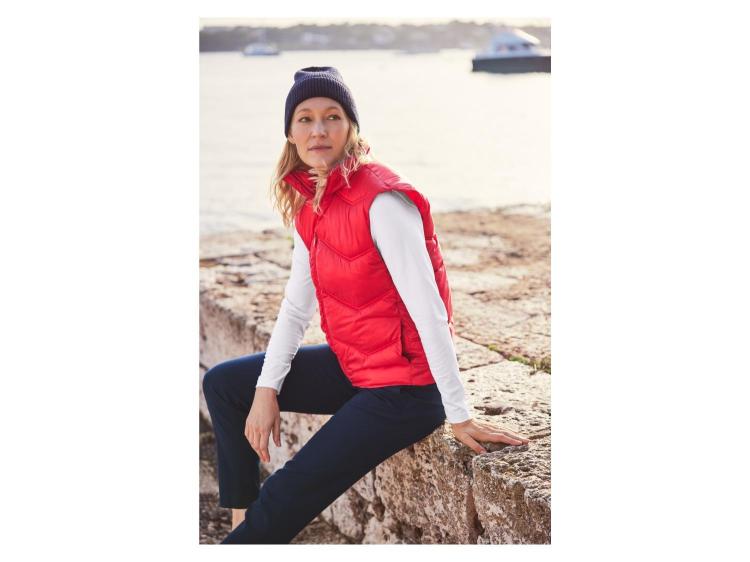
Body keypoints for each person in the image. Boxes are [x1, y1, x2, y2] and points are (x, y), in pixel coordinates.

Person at [202, 66, 530, 544]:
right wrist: (266, 389)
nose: (319, 130)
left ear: (350, 127)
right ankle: (241, 525)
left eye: (332, 116)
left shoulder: (383, 201)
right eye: (305, 118)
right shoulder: (311, 202)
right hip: (358, 365)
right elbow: (296, 307)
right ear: (290, 133)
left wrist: (458, 413)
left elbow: (430, 311)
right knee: (226, 384)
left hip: (406, 390)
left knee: (286, 492)